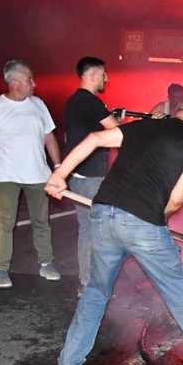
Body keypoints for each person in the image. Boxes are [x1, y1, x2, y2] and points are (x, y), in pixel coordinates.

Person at [44, 95, 183, 365]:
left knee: (96, 290)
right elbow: (177, 199)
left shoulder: (142, 127)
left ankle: (69, 361)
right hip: (143, 224)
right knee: (179, 293)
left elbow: (94, 138)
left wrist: (60, 176)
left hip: (104, 215)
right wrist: (158, 217)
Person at [0, 59, 62, 288]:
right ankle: (1, 269)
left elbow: (49, 137)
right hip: (7, 176)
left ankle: (46, 262)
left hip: (39, 174)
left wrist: (59, 168)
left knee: (42, 221)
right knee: (5, 222)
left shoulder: (38, 104)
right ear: (14, 83)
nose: (34, 83)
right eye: (29, 79)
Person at [63, 56, 120, 296]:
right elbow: (116, 130)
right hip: (91, 177)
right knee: (98, 229)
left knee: (87, 227)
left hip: (78, 175)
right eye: (104, 74)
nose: (106, 79)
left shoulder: (73, 101)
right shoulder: (92, 102)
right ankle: (93, 283)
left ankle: (86, 281)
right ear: (93, 75)